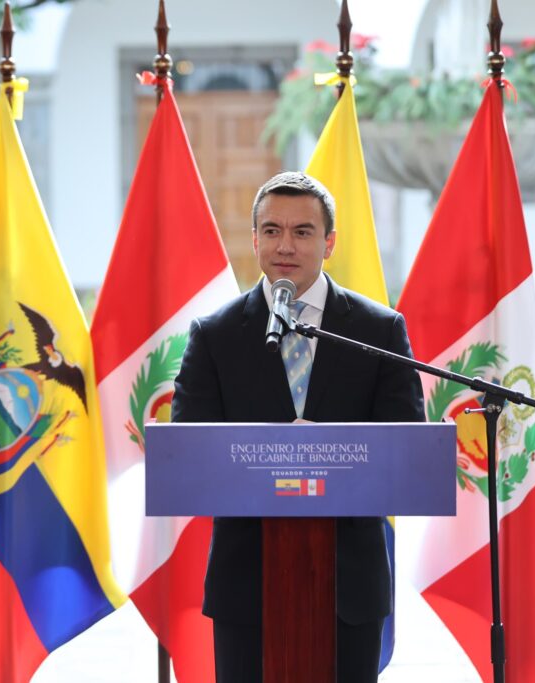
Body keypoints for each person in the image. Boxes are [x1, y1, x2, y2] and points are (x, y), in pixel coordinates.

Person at [171, 172, 425, 683]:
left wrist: (325, 451)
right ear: (255, 239)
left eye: (303, 231)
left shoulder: (378, 330)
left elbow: (406, 452)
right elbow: (191, 458)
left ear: (329, 243)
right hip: (247, 586)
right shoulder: (215, 335)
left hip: (349, 585)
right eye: (272, 230)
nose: (285, 246)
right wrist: (275, 451)